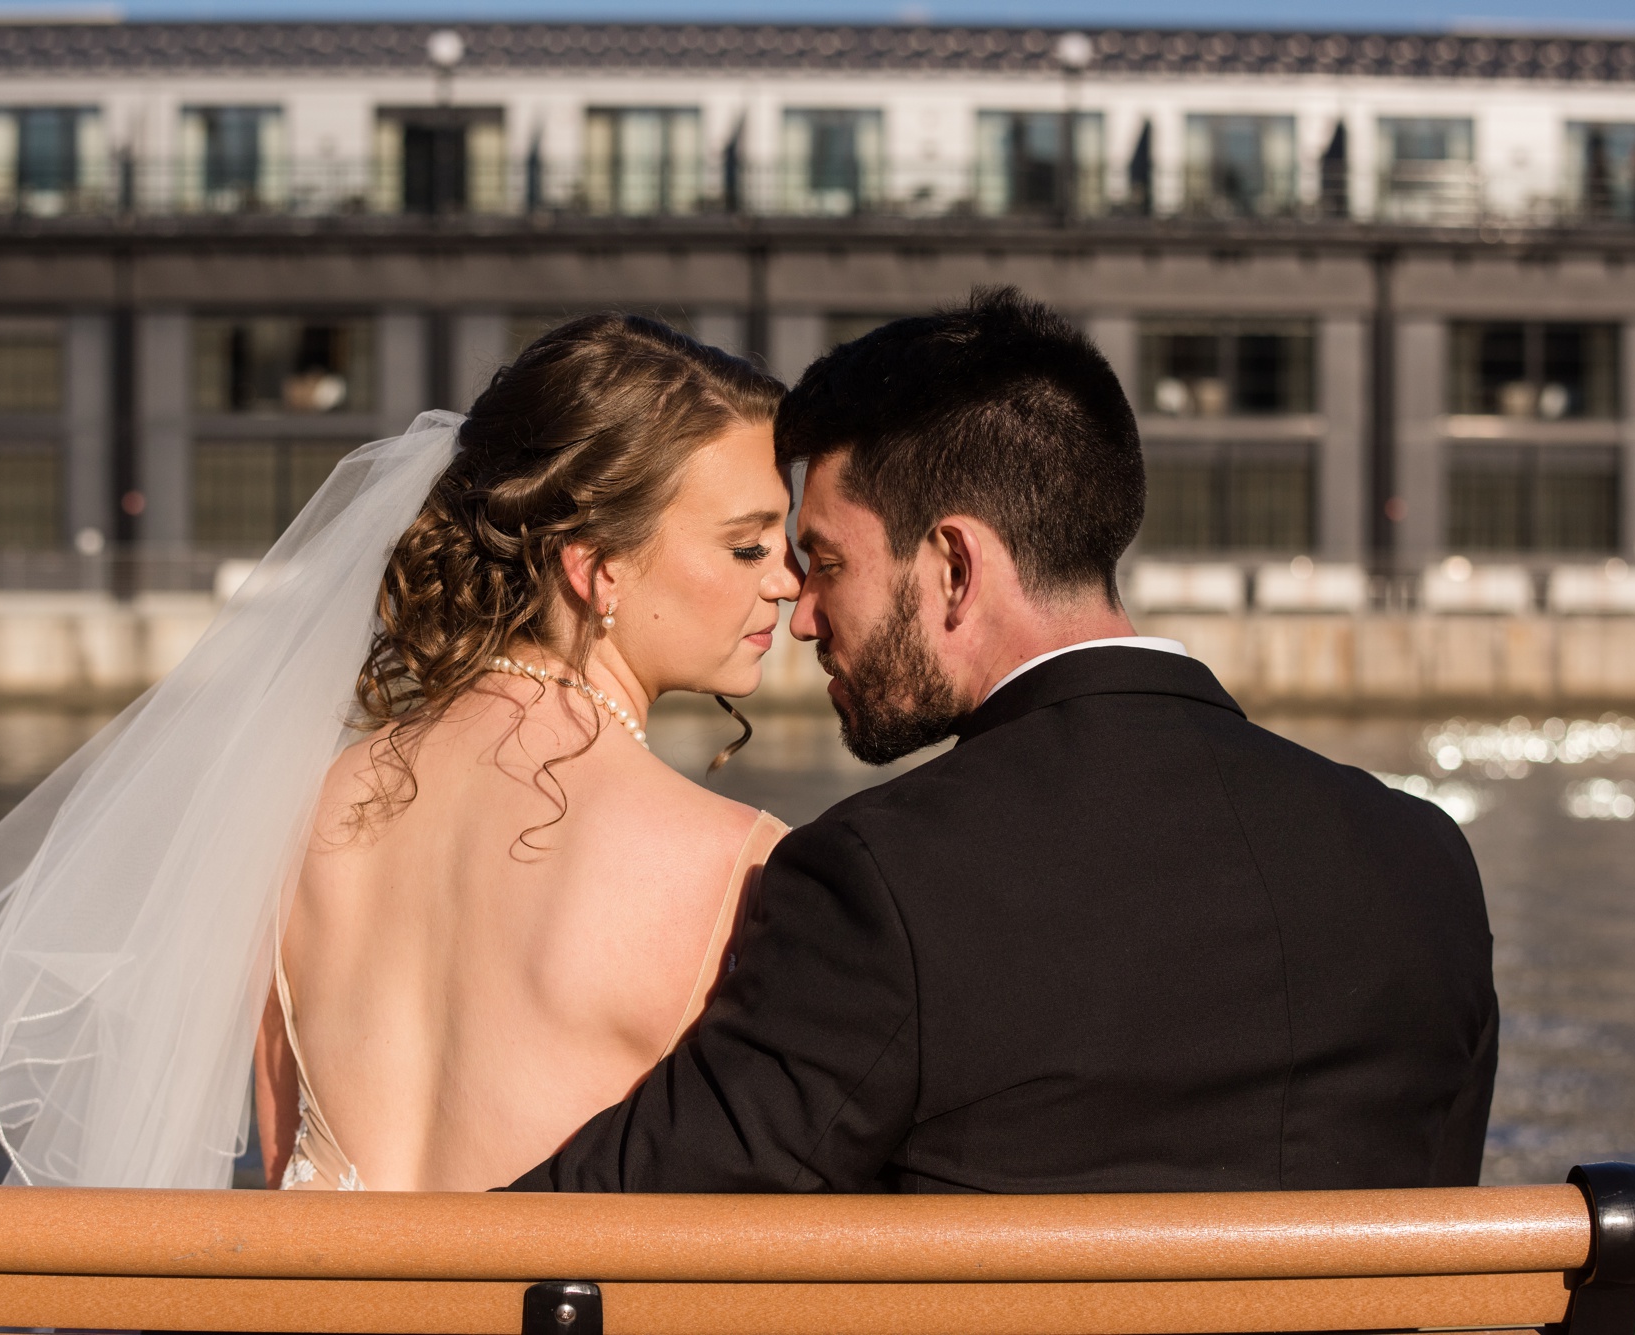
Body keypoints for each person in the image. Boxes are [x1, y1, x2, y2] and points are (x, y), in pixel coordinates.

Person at [510, 288, 1498, 1195]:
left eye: (823, 563)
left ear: (951, 566)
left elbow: (623, 1221)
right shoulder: (1421, 861)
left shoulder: (881, 884)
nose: (802, 616)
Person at [0, 314, 800, 1190]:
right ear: (595, 566)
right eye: (750, 546)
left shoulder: (296, 809)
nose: (787, 582)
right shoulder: (740, 865)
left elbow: (283, 1155)